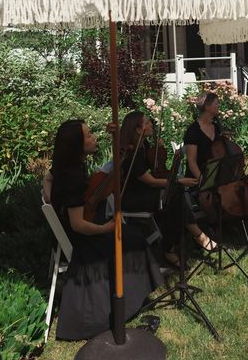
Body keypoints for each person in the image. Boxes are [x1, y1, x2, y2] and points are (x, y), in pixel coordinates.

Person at [43, 119, 163, 341]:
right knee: (132, 240)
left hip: (77, 230)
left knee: (132, 236)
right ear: (77, 144)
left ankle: (134, 295)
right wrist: (107, 227)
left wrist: (48, 196)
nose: (93, 137)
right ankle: (129, 303)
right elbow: (79, 225)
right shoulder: (73, 177)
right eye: (88, 136)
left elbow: (47, 178)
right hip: (82, 239)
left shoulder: (67, 164)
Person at [120, 111, 217, 267]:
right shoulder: (131, 153)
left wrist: (158, 152)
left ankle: (177, 244)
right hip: (133, 198)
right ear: (138, 129)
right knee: (175, 198)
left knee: (175, 199)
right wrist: (179, 180)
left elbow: (154, 170)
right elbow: (151, 181)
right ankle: (191, 238)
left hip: (146, 192)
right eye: (148, 122)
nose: (152, 124)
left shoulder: (144, 145)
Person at [184, 92, 223, 182]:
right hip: (197, 178)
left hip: (215, 177)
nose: (218, 106)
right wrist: (203, 181)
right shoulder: (193, 131)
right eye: (216, 103)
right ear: (207, 107)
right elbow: (191, 161)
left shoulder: (217, 128)